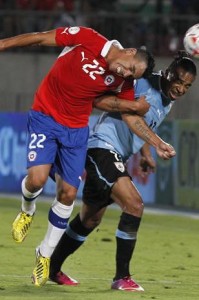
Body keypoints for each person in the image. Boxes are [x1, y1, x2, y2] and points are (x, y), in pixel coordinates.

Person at [0, 25, 159, 286]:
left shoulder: (123, 82)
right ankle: (27, 210)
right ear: (130, 52)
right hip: (45, 116)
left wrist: (155, 142)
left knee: (69, 194)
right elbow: (41, 37)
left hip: (75, 131)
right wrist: (3, 44)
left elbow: (128, 115)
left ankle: (44, 254)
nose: (126, 73)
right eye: (130, 67)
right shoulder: (87, 38)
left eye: (133, 74)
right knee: (37, 180)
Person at [48, 51, 197, 291]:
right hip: (102, 148)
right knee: (134, 204)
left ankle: (52, 267)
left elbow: (144, 123)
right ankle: (121, 277)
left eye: (187, 86)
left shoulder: (167, 98)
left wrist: (145, 154)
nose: (180, 89)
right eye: (178, 81)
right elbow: (131, 116)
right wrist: (158, 143)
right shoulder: (144, 84)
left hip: (115, 154)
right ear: (168, 73)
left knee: (90, 219)